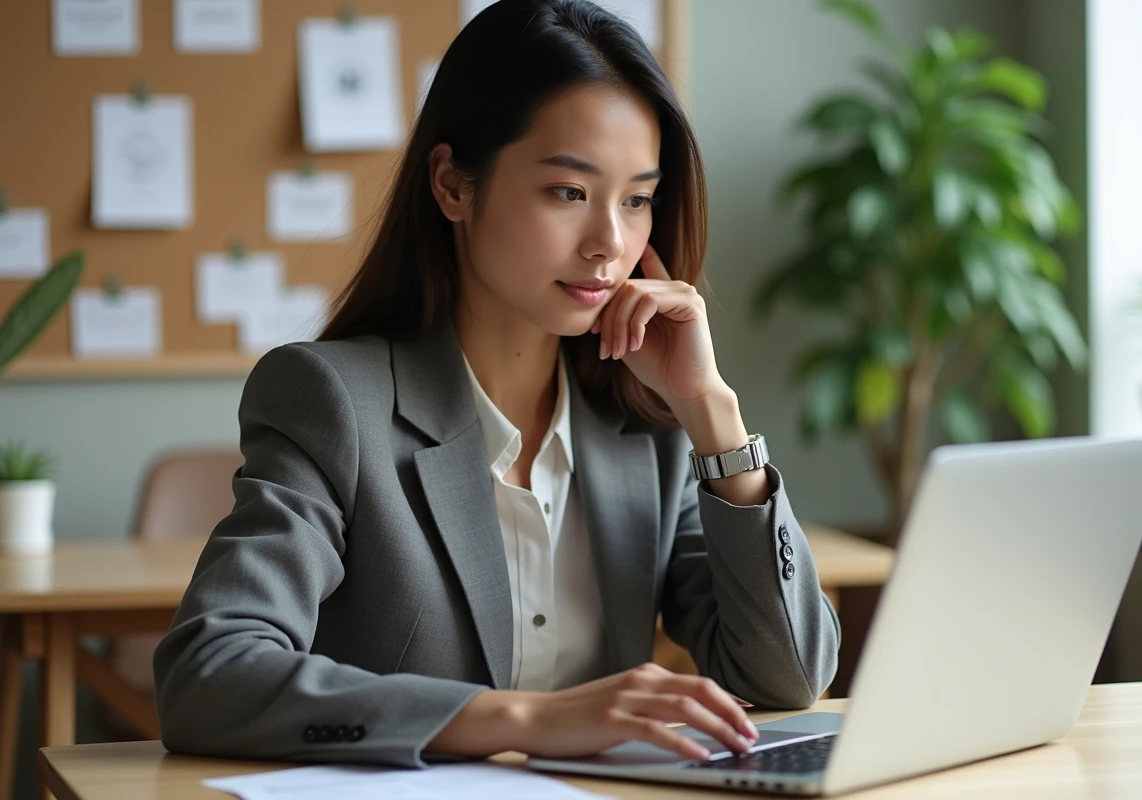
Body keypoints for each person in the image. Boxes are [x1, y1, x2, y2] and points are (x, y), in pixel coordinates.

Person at [153, 0, 840, 769]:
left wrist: (713, 412)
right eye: (568, 192)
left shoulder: (648, 430)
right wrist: (523, 719)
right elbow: (207, 676)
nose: (610, 243)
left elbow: (787, 677)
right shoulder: (333, 402)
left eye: (638, 199)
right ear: (452, 185)